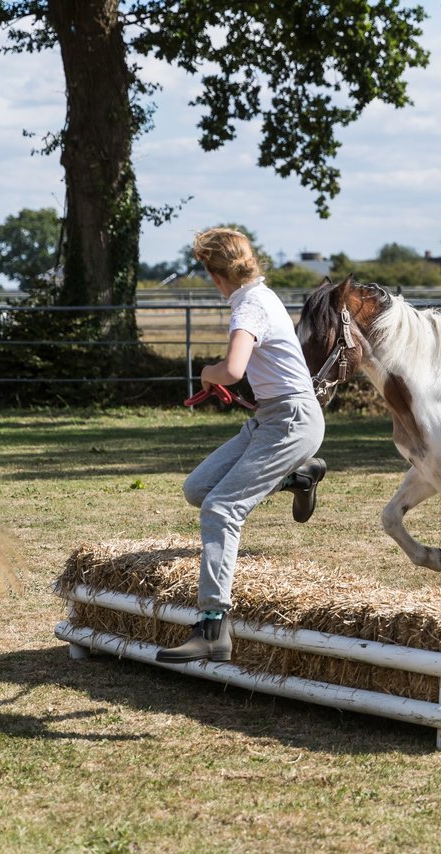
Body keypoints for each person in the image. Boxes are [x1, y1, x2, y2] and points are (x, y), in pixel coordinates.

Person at [157, 227, 326, 664]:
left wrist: (208, 373)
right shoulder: (260, 296)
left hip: (290, 422)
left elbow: (232, 369)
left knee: (221, 509)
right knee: (198, 490)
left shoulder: (249, 306)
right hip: (271, 420)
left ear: (215, 276)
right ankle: (298, 476)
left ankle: (213, 626)